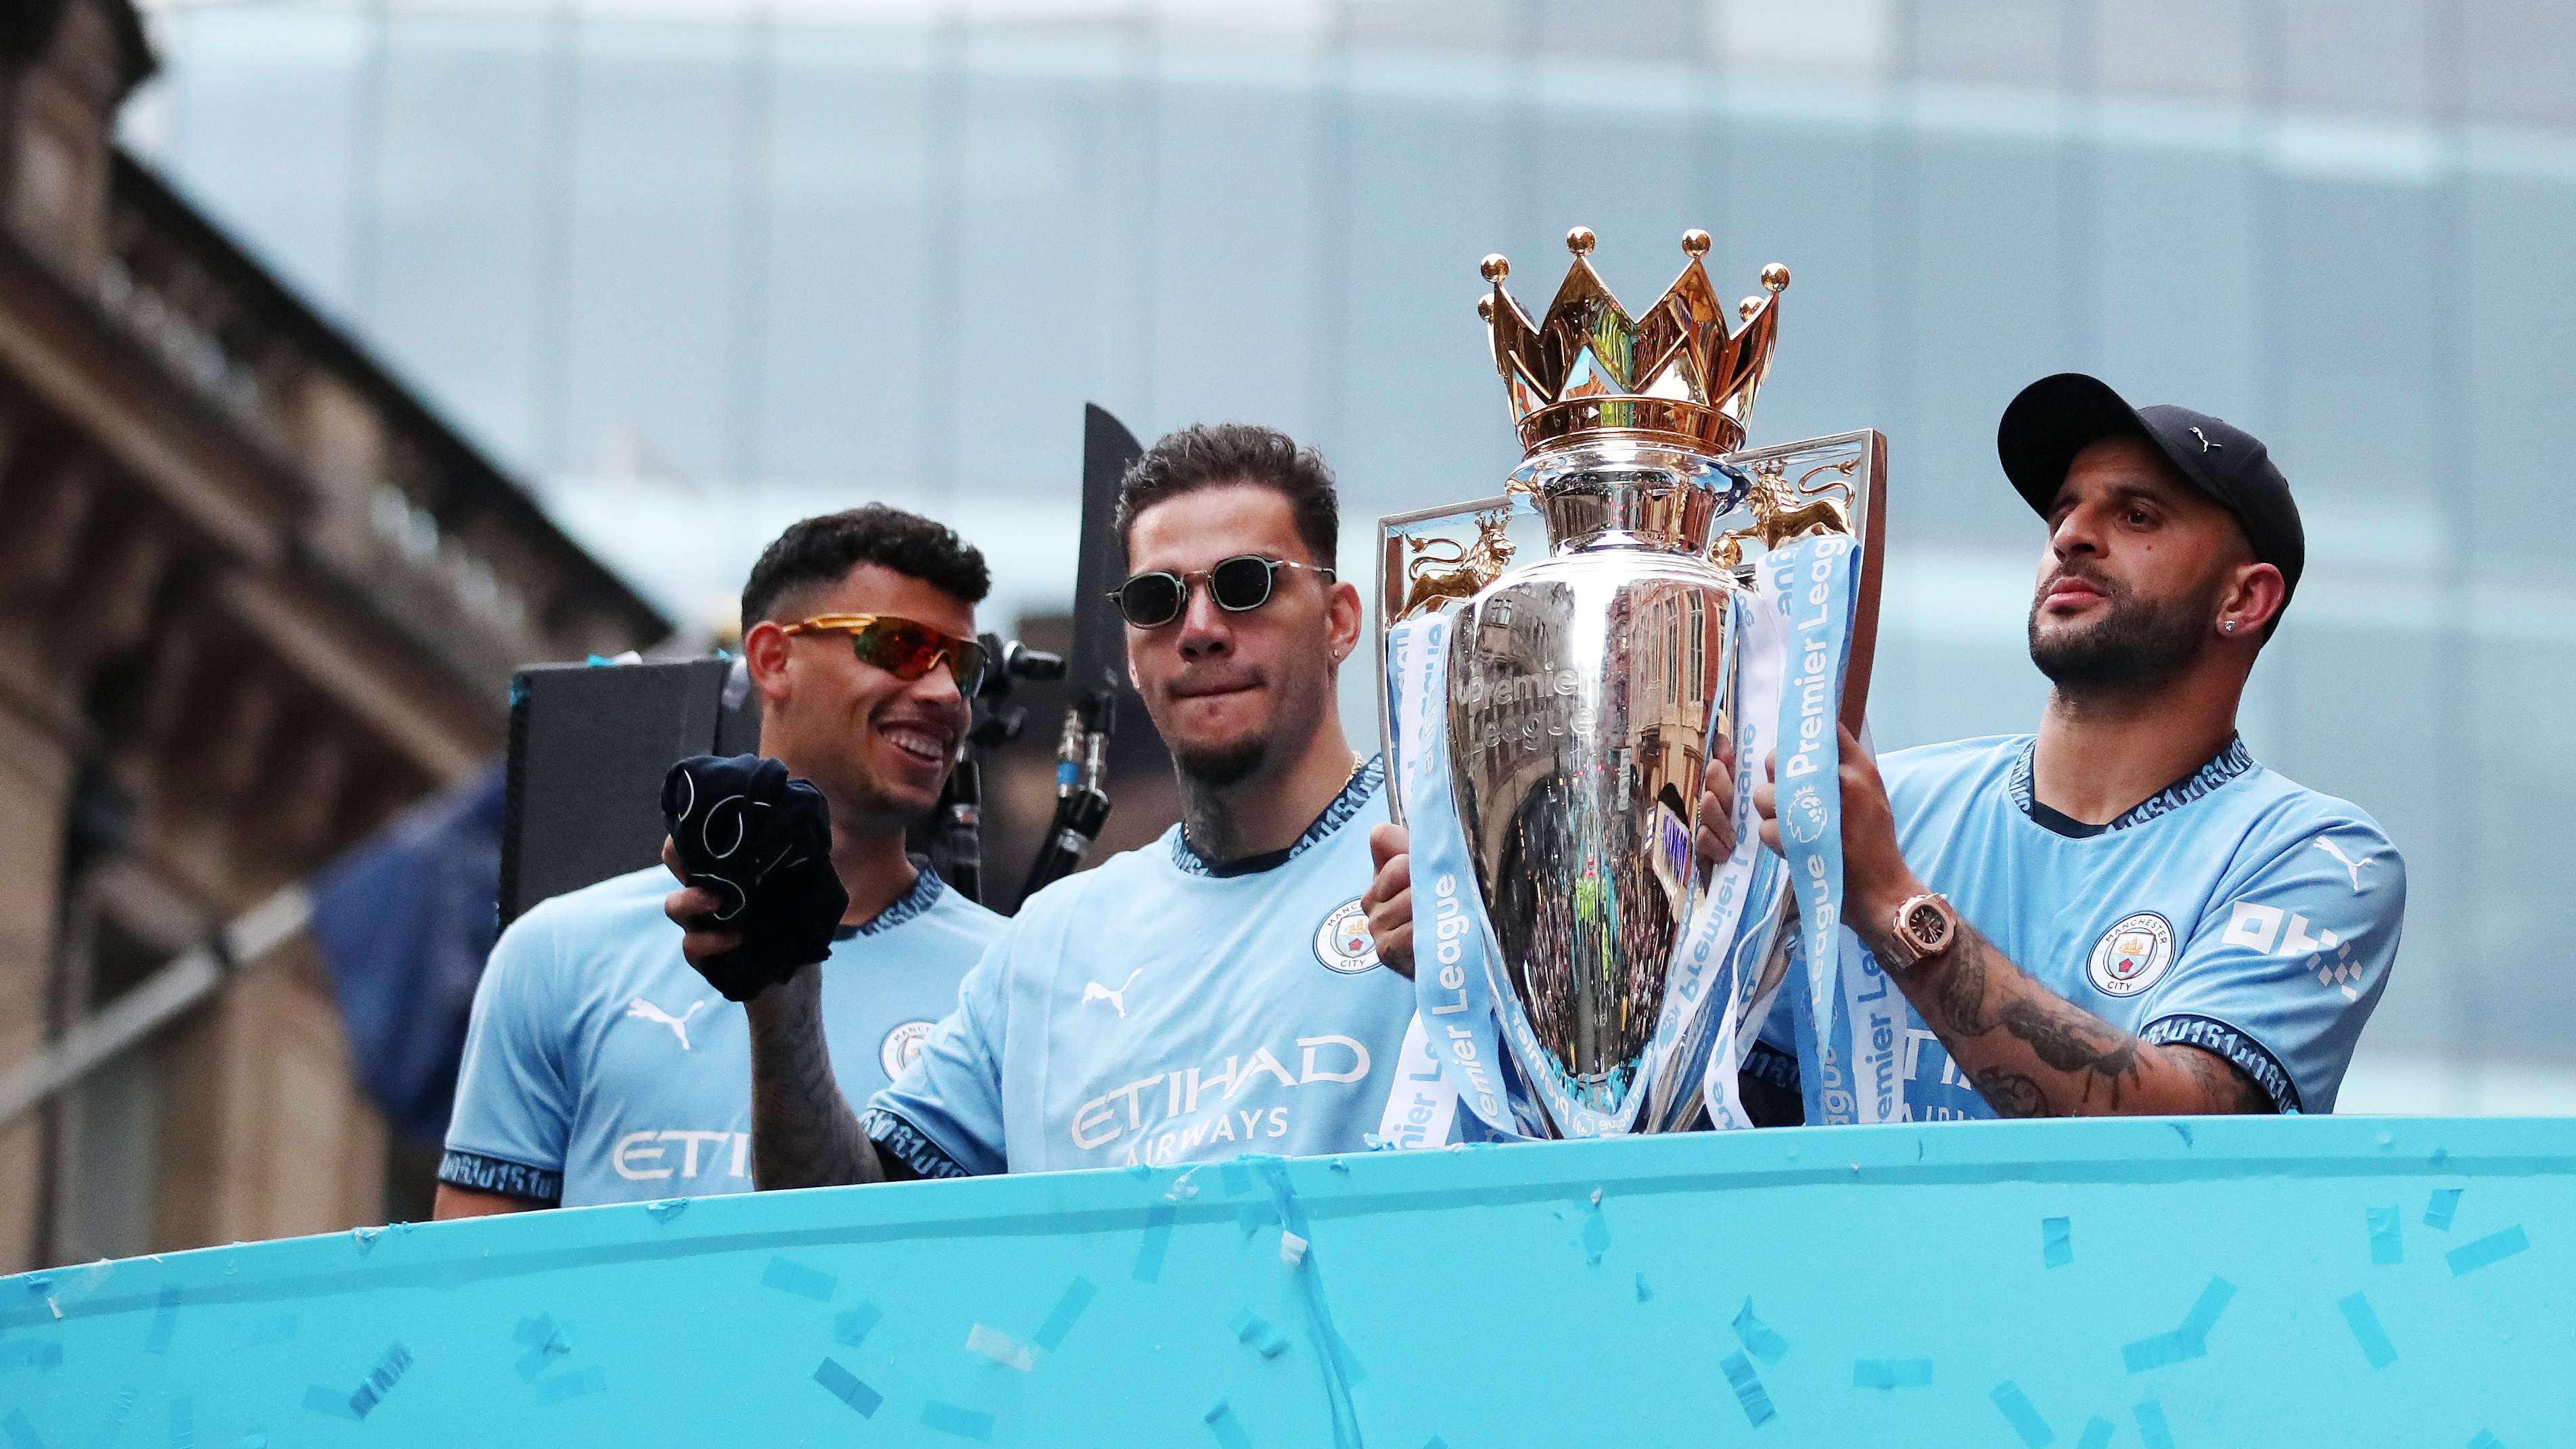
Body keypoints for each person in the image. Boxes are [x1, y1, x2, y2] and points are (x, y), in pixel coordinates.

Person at [1364, 373, 2404, 1120]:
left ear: (2245, 597)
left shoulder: (2316, 858)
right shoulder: (1882, 799)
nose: (2072, 537)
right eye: (2063, 511)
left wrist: (1888, 902)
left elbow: (2189, 1130)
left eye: (2136, 515)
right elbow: (1703, 1117)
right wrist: (1532, 951)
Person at [679, 423, 1418, 1184]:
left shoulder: (1445, 869)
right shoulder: (1051, 943)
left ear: (1339, 620)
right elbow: (849, 1232)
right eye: (1157, 599)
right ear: (1130, 648)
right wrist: (784, 1005)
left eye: (1246, 585)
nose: (1199, 630)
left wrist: (1484, 990)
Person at [434, 507, 1003, 1214]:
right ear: (773, 660)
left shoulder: (1012, 977)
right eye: (901, 646)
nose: (945, 694)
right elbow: (476, 1281)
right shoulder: (558, 953)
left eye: (964, 666)